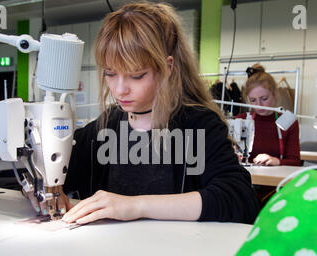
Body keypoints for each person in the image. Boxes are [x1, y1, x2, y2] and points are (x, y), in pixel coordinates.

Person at [25, 2, 260, 225]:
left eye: (136, 75)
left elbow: (239, 199)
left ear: (166, 68)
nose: (119, 89)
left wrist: (135, 206)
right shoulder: (105, 127)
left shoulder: (199, 125)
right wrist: (44, 189)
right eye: (110, 73)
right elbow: (52, 172)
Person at [236, 63, 301, 166]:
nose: (259, 105)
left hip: (275, 180)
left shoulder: (288, 121)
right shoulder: (240, 120)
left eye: (264, 99)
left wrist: (277, 161)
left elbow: (295, 162)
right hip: (244, 179)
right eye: (253, 100)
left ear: (275, 94)